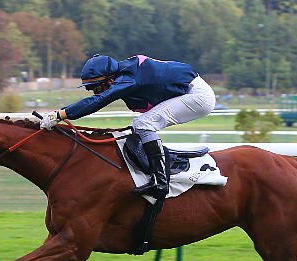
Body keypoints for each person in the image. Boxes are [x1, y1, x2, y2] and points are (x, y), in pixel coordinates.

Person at [39, 54, 216, 199]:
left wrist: (60, 115)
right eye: (91, 89)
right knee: (140, 126)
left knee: (143, 124)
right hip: (190, 91)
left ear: (109, 79)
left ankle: (161, 182)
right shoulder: (125, 73)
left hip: (198, 96)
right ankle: (156, 171)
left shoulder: (129, 79)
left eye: (96, 87)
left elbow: (99, 101)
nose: (95, 91)